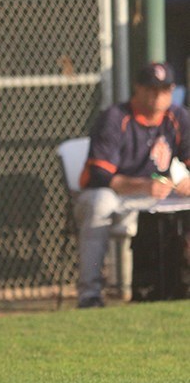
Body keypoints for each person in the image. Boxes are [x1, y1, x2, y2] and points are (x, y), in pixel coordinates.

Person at [75, 61, 190, 308]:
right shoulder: (115, 118)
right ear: (137, 88)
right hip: (111, 195)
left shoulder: (177, 117)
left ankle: (176, 285)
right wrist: (142, 185)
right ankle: (90, 294)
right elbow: (99, 176)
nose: (159, 95)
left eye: (165, 89)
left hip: (152, 199)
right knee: (99, 203)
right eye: (152, 88)